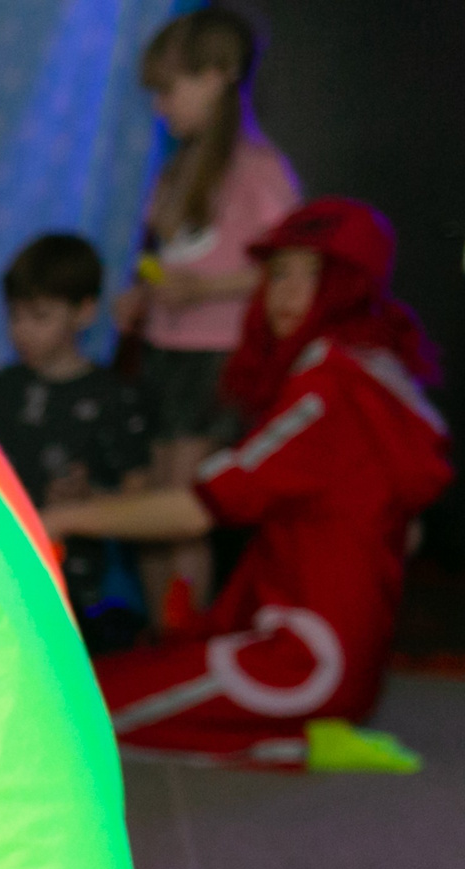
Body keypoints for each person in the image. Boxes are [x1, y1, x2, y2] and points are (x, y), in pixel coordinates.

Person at [46, 200, 450, 769]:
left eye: (314, 276)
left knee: (69, 715)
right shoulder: (364, 372)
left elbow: (197, 510)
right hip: (321, 653)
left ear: (349, 288)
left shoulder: (331, 388)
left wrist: (61, 519)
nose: (286, 293)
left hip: (304, 663)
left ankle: (305, 744)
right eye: (280, 272)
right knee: (100, 686)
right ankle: (308, 736)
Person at [112, 6, 301, 621]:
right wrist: (143, 297)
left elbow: (286, 266)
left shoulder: (260, 172)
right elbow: (162, 262)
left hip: (213, 358)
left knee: (182, 510)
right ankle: (155, 642)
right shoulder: (175, 170)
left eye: (169, 89)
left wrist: (205, 290)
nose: (161, 107)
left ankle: (183, 646)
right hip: (164, 355)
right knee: (149, 502)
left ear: (218, 74)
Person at [0, 233, 154, 652]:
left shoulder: (114, 397)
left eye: (39, 317)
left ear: (85, 312)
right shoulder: (1, 389)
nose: (22, 331)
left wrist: (89, 496)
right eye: (15, 316)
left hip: (79, 594)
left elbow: (139, 498)